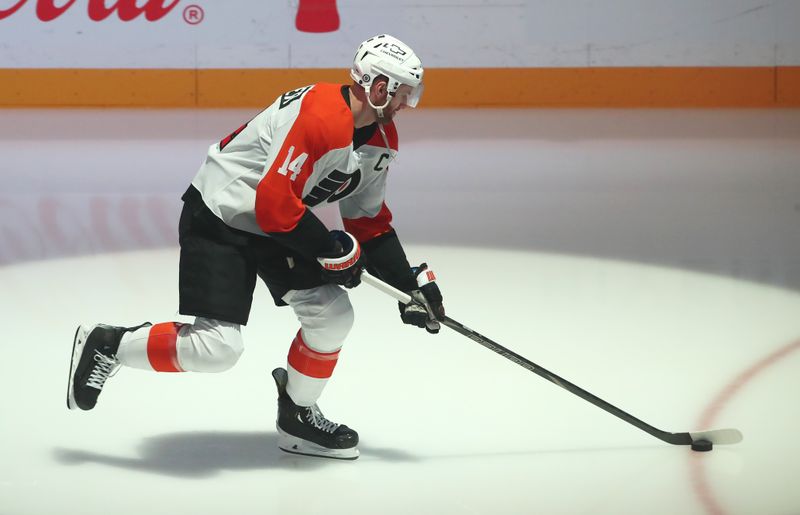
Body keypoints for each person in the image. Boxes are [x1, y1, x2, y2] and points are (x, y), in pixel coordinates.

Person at [66, 34, 445, 460]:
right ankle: (109, 344)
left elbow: (367, 220)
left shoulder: (380, 140)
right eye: (404, 94)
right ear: (380, 88)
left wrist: (409, 283)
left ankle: (297, 416)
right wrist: (330, 249)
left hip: (277, 224)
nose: (407, 104)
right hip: (221, 215)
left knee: (332, 314)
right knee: (216, 350)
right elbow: (274, 206)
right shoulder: (320, 116)